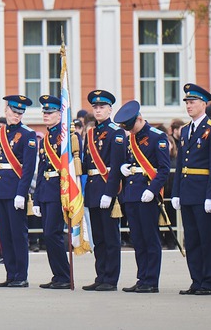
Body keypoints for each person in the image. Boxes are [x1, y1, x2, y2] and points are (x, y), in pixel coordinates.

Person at [172, 83, 211, 296]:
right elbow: (180, 165)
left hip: (203, 193)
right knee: (192, 240)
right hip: (187, 192)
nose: (189, 106)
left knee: (206, 239)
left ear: (203, 104)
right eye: (187, 102)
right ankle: (196, 280)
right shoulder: (185, 130)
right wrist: (176, 192)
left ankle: (208, 282)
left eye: (192, 102)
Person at [116, 100, 170, 294]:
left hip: (147, 194)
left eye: (132, 126)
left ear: (139, 118)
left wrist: (153, 190)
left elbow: (164, 170)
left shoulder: (158, 137)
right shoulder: (131, 138)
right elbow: (130, 162)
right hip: (131, 194)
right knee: (137, 239)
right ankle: (142, 278)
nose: (130, 131)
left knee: (150, 239)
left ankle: (151, 280)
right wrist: (124, 168)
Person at [81, 89, 125, 292]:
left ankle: (111, 278)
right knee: (98, 238)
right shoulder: (90, 133)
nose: (98, 110)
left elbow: (116, 166)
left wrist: (110, 192)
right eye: (95, 107)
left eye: (102, 107)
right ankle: (101, 275)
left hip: (107, 188)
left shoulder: (116, 132)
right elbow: (85, 164)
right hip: (92, 188)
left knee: (110, 238)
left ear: (110, 109)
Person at [0, 94, 36, 288]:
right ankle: (10, 274)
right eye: (14, 111)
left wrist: (21, 193)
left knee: (18, 234)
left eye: (20, 112)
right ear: (6, 110)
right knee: (5, 235)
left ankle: (21, 275)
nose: (17, 115)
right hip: (0, 189)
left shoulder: (28, 135)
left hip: (15, 189)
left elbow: (27, 168)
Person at [33, 95, 72, 289]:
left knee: (52, 233)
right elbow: (41, 170)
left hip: (60, 190)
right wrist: (37, 198)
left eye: (50, 112)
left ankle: (64, 276)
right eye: (44, 112)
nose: (46, 115)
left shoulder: (65, 137)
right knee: (48, 235)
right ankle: (58, 275)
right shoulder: (47, 137)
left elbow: (70, 166)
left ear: (60, 114)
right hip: (47, 191)